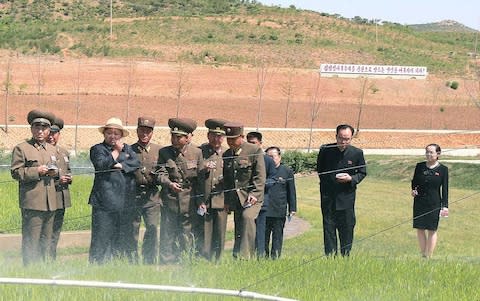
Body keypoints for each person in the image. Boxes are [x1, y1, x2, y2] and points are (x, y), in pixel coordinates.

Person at [88, 117, 140, 264]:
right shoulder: (97, 149)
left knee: (120, 237)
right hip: (103, 202)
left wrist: (121, 166)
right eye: (109, 133)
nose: (113, 136)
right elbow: (101, 164)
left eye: (116, 134)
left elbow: (135, 163)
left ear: (121, 135)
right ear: (104, 134)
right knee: (101, 237)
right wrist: (116, 153)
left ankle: (116, 264)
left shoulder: (128, 148)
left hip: (123, 201)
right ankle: (96, 266)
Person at [11, 110, 59, 265]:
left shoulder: (52, 149)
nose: (40, 131)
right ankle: (29, 271)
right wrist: (36, 171)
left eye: (44, 128)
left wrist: (55, 172)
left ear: (48, 130)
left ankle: (44, 270)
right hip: (32, 201)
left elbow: (57, 170)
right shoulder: (22, 148)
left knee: (47, 239)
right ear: (31, 129)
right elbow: (16, 172)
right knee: (31, 241)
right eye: (37, 127)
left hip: (50, 202)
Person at [156, 118, 205, 264]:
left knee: (187, 232)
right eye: (173, 136)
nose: (175, 140)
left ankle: (186, 260)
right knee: (168, 231)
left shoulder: (196, 153)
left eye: (179, 137)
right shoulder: (164, 152)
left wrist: (201, 201)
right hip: (170, 198)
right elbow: (160, 173)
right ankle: (167, 262)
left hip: (189, 199)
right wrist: (169, 183)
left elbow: (200, 180)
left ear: (187, 138)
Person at [316, 124, 366, 256]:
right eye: (340, 138)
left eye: (347, 139)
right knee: (329, 228)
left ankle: (345, 255)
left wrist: (351, 178)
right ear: (336, 136)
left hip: (347, 198)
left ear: (351, 138)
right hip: (328, 197)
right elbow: (320, 170)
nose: (343, 142)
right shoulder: (326, 150)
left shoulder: (357, 153)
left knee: (347, 228)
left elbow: (362, 172)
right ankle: (330, 256)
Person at [223, 122, 266, 259]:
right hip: (237, 198)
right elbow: (228, 180)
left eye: (233, 138)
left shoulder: (254, 150)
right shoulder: (227, 154)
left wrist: (255, 193)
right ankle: (237, 255)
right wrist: (227, 200)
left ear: (241, 136)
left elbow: (260, 176)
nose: (230, 142)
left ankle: (246, 257)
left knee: (247, 218)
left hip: (252, 197)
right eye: (228, 139)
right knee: (239, 225)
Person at [131, 116, 162, 264]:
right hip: (133, 195)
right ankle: (132, 260)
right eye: (142, 130)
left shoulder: (159, 151)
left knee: (152, 228)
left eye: (148, 131)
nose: (145, 134)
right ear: (137, 131)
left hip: (152, 197)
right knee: (133, 229)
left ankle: (149, 259)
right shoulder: (129, 150)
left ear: (152, 133)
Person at [198, 118, 229, 261]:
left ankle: (218, 258)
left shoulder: (228, 154)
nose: (217, 139)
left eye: (220, 136)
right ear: (208, 135)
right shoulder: (200, 152)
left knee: (220, 230)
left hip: (221, 199)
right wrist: (203, 168)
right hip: (204, 198)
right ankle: (205, 257)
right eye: (214, 135)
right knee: (205, 230)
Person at [411, 143, 449, 258]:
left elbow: (445, 189)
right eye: (427, 152)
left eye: (431, 152)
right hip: (419, 202)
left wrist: (445, 206)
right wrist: (414, 190)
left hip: (434, 203)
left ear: (438, 154)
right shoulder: (419, 166)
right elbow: (414, 182)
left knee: (432, 229)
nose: (428, 154)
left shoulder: (443, 169)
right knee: (420, 228)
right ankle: (423, 255)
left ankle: (429, 256)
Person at [246, 131, 276, 258]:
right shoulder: (243, 157)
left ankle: (260, 256)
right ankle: (245, 255)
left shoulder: (267, 160)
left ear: (260, 144)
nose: (251, 146)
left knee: (260, 231)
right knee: (245, 230)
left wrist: (259, 187)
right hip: (244, 200)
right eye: (249, 143)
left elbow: (272, 179)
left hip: (261, 200)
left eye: (253, 143)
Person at [47, 116, 73, 260]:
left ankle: (52, 258)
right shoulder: (42, 151)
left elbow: (67, 170)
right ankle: (44, 259)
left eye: (54, 133)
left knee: (56, 231)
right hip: (47, 198)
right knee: (46, 231)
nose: (51, 136)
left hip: (61, 198)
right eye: (49, 133)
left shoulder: (63, 152)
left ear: (59, 134)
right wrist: (57, 180)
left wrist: (70, 178)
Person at [265, 146, 297, 259]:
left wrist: (292, 208)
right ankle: (263, 257)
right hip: (265, 209)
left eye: (273, 156)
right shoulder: (263, 170)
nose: (271, 159)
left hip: (279, 210)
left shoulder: (286, 171)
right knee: (264, 236)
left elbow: (291, 191)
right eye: (268, 157)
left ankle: (275, 257)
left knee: (277, 236)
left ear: (279, 157)